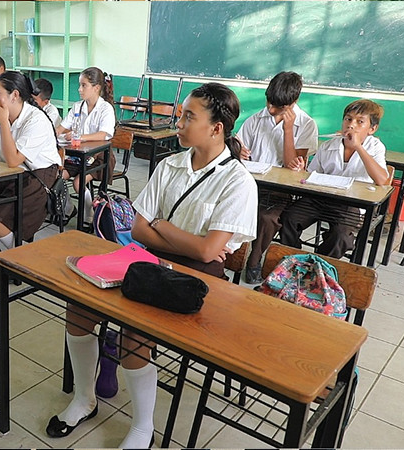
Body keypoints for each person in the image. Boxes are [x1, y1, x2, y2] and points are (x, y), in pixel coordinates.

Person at [46, 82, 257, 448]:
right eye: (180, 115)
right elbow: (140, 230)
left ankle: (142, 427)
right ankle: (84, 398)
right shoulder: (169, 165)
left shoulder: (237, 181)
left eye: (189, 117)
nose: (179, 123)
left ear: (216, 128)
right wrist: (172, 234)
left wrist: (162, 228)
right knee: (78, 307)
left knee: (135, 331)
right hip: (147, 259)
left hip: (196, 278)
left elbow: (209, 254)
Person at [0, 71, 61, 268]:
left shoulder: (36, 120)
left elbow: (14, 159)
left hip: (38, 175)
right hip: (8, 172)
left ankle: (20, 258)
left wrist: (4, 123)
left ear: (14, 95)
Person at [280, 99, 390, 258]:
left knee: (341, 236)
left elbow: (382, 180)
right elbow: (310, 175)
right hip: (321, 198)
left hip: (352, 204)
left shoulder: (375, 147)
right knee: (288, 217)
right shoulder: (328, 145)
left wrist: (358, 146)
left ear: (372, 128)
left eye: (360, 122)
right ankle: (294, 259)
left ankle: (319, 264)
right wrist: (299, 170)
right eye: (348, 119)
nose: (351, 125)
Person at [237, 71, 319, 283]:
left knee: (267, 217)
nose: (271, 109)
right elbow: (237, 146)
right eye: (269, 102)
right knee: (234, 205)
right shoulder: (256, 119)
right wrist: (239, 151)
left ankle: (254, 261)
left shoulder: (307, 125)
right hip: (252, 183)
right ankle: (231, 252)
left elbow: (291, 165)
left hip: (281, 190)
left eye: (279, 107)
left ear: (294, 102)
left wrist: (288, 130)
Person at [55, 67, 116, 223]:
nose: (79, 89)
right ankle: (69, 209)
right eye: (80, 85)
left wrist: (80, 137)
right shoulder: (78, 106)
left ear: (96, 88)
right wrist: (52, 134)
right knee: (57, 178)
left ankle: (89, 216)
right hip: (78, 156)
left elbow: (104, 134)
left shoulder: (105, 109)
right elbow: (62, 127)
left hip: (100, 157)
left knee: (78, 182)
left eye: (84, 85)